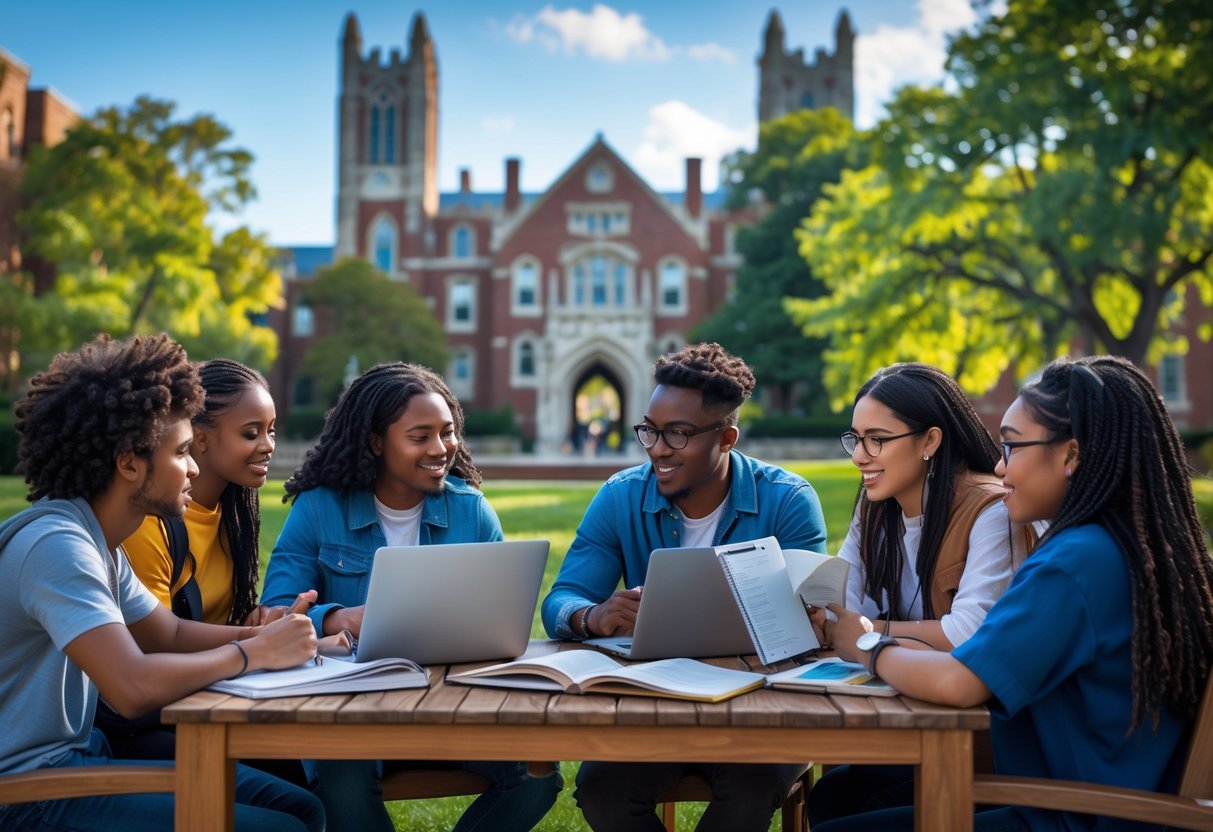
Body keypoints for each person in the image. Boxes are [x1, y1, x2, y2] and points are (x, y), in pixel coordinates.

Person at [813, 355, 1213, 832]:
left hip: (1073, 816)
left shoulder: (1073, 564)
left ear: (1071, 455)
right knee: (841, 795)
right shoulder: (1132, 547)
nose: (999, 467)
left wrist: (866, 644)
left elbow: (960, 681)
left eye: (1013, 447)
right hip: (1099, 805)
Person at [0, 333, 324, 832]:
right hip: (27, 791)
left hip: (80, 759)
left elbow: (167, 633)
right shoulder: (58, 546)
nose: (194, 467)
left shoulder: (97, 540)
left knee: (302, 807)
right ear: (129, 462)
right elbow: (130, 687)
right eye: (181, 453)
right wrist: (252, 655)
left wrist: (266, 636)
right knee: (285, 828)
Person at [260, 361, 560, 832]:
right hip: (353, 712)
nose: (440, 449)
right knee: (341, 777)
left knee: (537, 775)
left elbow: (507, 616)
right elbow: (275, 612)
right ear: (377, 442)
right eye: (420, 436)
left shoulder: (472, 510)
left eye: (447, 432)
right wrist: (338, 618)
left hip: (456, 706)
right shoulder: (319, 508)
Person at [541, 342, 828, 832]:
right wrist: (591, 616)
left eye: (677, 434)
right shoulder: (621, 496)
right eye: (649, 430)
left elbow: (814, 620)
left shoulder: (788, 502)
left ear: (727, 438)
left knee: (750, 793)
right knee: (601, 792)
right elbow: (561, 600)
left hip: (758, 709)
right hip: (655, 706)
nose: (657, 448)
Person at [806, 363, 1036, 825]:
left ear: (930, 441)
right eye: (855, 439)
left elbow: (970, 632)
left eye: (878, 439)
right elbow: (841, 606)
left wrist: (873, 633)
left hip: (981, 740)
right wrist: (829, 618)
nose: (860, 457)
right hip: (910, 716)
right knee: (831, 794)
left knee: (842, 806)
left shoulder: (989, 510)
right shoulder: (875, 508)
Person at [99, 359, 282, 761]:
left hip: (215, 690)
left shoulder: (234, 517)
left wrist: (263, 629)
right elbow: (158, 646)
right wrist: (259, 647)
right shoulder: (148, 524)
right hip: (158, 714)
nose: (268, 445)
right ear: (199, 439)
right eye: (251, 433)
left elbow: (191, 631)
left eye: (271, 431)